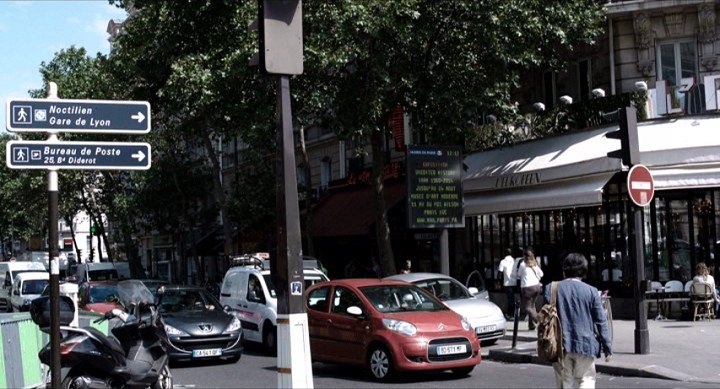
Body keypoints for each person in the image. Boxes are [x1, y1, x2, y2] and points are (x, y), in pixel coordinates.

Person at [546, 253, 612, 389]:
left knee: (565, 383)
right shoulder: (591, 291)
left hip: (560, 345)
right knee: (586, 379)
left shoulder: (551, 288)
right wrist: (607, 346)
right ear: (584, 271)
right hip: (585, 344)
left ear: (564, 270)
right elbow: (601, 321)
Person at [518, 247, 543, 330]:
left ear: (524, 256)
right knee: (532, 306)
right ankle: (531, 325)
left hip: (527, 288)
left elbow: (518, 275)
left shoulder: (522, 264)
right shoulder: (534, 264)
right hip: (537, 287)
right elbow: (542, 274)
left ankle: (539, 320)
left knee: (527, 308)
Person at [497, 248, 519, 319]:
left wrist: (498, 282)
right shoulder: (515, 261)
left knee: (510, 299)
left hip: (507, 283)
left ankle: (511, 314)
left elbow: (499, 273)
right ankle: (513, 313)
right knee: (513, 299)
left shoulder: (503, 261)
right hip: (515, 282)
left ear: (505, 254)